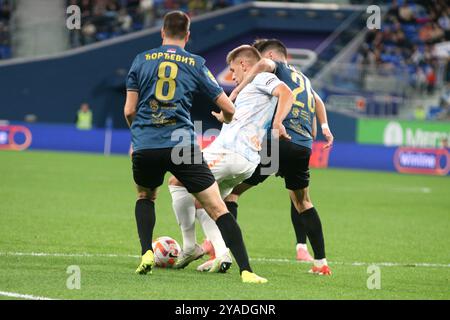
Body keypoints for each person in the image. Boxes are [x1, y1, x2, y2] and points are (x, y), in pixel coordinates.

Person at [124, 11, 266, 283]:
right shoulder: (195, 63)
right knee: (217, 207)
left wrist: (139, 137)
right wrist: (225, 117)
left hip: (146, 143)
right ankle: (246, 270)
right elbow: (228, 108)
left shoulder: (140, 60)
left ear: (162, 33)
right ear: (188, 36)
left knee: (145, 197)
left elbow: (130, 110)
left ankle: (145, 252)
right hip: (181, 145)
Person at [168, 44, 293, 273]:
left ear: (244, 64)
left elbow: (286, 92)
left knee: (177, 180)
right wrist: (226, 117)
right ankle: (222, 254)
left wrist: (278, 122)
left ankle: (188, 247)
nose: (232, 76)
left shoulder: (261, 78)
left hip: (231, 152)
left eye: (233, 70)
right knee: (206, 202)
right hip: (246, 161)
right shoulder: (247, 90)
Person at [223, 39, 334, 275]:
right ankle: (321, 263)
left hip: (278, 141)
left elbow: (263, 64)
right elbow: (318, 100)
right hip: (303, 145)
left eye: (262, 57)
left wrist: (236, 90)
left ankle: (221, 251)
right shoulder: (303, 78)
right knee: (302, 201)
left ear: (272, 55)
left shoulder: (277, 68)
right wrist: (324, 126)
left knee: (230, 192)